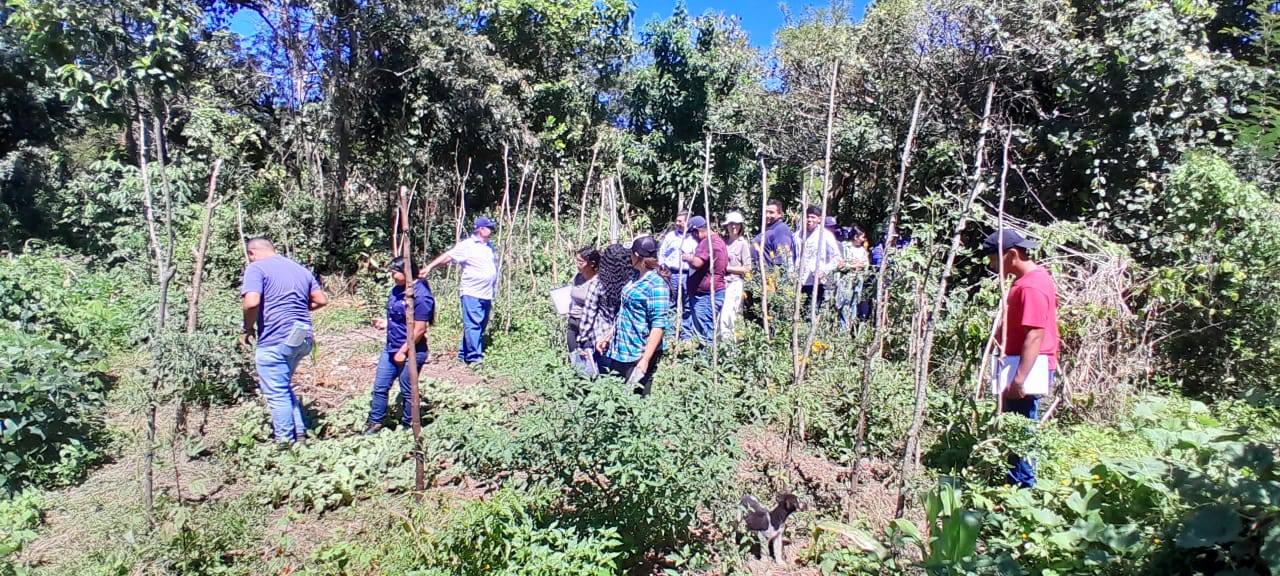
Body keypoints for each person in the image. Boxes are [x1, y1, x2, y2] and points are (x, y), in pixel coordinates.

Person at [984, 229, 1059, 489]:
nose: (992, 266)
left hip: (1026, 368)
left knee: (1021, 429)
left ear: (1012, 255)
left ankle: (1023, 489)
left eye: (994, 259)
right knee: (1016, 427)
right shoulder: (1027, 280)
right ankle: (1015, 483)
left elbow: (1035, 334)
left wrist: (1019, 379)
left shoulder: (1031, 286)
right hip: (1018, 364)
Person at [240, 237, 328, 446]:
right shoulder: (300, 269)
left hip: (276, 337)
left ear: (252, 253)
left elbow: (251, 303)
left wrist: (248, 328)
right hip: (303, 336)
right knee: (282, 387)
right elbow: (321, 300)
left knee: (276, 393)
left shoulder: (256, 268)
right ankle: (300, 435)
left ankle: (284, 444)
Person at [364, 257, 435, 435]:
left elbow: (419, 330)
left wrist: (403, 351)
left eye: (395, 273)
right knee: (380, 387)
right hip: (391, 347)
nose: (393, 276)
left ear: (407, 272)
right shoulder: (397, 290)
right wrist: (386, 323)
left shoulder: (421, 296)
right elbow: (401, 318)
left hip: (412, 351)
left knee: (408, 390)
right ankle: (375, 423)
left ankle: (408, 426)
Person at [597, 236, 671, 395]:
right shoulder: (635, 277)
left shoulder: (656, 285)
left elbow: (658, 325)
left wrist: (645, 359)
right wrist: (609, 335)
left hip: (638, 351)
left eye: (630, 253)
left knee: (636, 398)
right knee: (617, 395)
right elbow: (625, 311)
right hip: (621, 347)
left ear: (637, 256)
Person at [422, 216, 499, 365]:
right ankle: (474, 359)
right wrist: (429, 267)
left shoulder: (489, 246)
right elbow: (448, 256)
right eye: (489, 227)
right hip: (472, 292)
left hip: (486, 293)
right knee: (474, 324)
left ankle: (464, 353)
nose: (492, 230)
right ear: (481, 229)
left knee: (479, 324)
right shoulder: (467, 245)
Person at [578, 244, 633, 367]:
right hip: (625, 339)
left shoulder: (598, 284)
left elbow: (589, 314)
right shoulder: (631, 285)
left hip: (601, 337)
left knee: (604, 373)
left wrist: (583, 339)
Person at [680, 216, 728, 344]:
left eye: (693, 234)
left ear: (697, 231)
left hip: (706, 295)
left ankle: (707, 355)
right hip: (715, 291)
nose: (693, 237)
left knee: (705, 330)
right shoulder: (719, 240)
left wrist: (687, 258)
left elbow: (697, 263)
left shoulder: (707, 242)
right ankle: (709, 353)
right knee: (707, 328)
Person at [793, 206, 841, 309]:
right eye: (807, 217)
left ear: (819, 219)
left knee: (812, 310)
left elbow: (837, 257)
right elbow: (792, 256)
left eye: (813, 217)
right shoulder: (797, 235)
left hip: (816, 282)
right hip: (798, 280)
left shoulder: (825, 235)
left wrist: (824, 270)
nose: (809, 220)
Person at [719, 211, 754, 339]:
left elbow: (747, 268)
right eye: (731, 224)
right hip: (721, 284)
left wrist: (728, 268)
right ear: (726, 226)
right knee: (719, 316)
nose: (734, 227)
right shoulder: (723, 242)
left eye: (737, 224)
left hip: (735, 283)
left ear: (741, 226)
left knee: (728, 317)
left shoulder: (742, 243)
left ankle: (729, 347)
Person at [658, 211, 698, 302]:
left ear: (687, 222)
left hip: (688, 274)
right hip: (672, 274)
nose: (677, 223)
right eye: (676, 221)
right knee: (671, 300)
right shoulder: (670, 236)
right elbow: (662, 252)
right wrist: (662, 267)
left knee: (688, 302)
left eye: (680, 221)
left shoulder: (694, 237)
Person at [567, 247, 600, 353]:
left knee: (587, 358)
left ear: (592, 264)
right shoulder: (578, 277)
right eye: (576, 261)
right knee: (574, 356)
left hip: (588, 325)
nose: (577, 265)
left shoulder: (598, 282)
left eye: (580, 262)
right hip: (573, 323)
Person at [754, 199, 796, 269]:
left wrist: (775, 274)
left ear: (779, 214)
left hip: (770, 274)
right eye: (766, 212)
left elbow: (782, 259)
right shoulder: (769, 229)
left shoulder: (781, 230)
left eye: (771, 212)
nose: (767, 215)